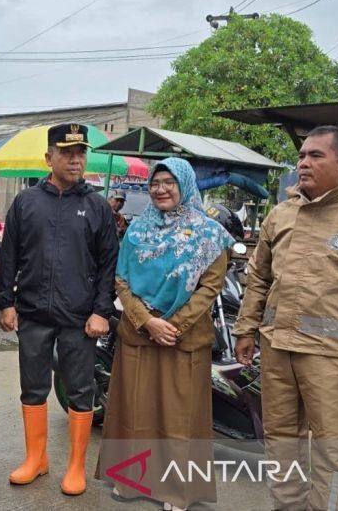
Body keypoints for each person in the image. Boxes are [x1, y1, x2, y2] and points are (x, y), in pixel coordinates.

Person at [235, 125, 338, 510]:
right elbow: (259, 276)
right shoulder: (281, 214)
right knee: (282, 442)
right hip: (277, 347)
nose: (304, 163)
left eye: (316, 155)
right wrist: (246, 328)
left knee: (334, 449)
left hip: (332, 356)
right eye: (301, 156)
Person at [97, 158, 233, 511]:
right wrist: (147, 321)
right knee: (134, 412)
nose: (160, 189)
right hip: (139, 333)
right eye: (155, 182)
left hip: (183, 338)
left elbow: (210, 287)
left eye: (169, 182)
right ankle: (130, 481)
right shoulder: (138, 230)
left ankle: (176, 492)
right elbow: (121, 280)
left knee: (179, 417)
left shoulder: (209, 233)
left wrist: (172, 325)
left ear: (185, 184)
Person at [0, 123, 118, 496]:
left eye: (80, 152)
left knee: (80, 391)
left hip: (79, 318)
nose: (75, 159)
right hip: (32, 313)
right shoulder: (26, 202)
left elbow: (108, 264)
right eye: (66, 153)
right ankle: (37, 459)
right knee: (32, 388)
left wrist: (101, 311)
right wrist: (6, 302)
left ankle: (75, 466)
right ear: (49, 158)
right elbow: (9, 254)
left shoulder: (96, 206)